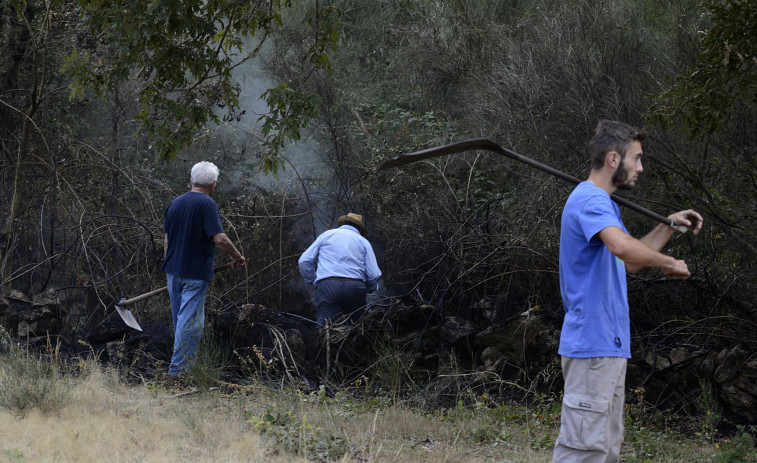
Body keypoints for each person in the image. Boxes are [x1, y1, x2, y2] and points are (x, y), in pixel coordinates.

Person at [553, 120, 703, 462]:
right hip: (592, 348)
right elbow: (624, 248)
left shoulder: (604, 204)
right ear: (612, 160)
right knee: (583, 452)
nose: (640, 167)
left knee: (603, 451)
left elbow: (630, 260)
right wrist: (669, 262)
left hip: (606, 348)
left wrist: (669, 225)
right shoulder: (591, 199)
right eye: (635, 158)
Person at [162, 161, 246, 375]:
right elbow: (220, 239)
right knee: (189, 323)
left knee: (181, 321)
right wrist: (236, 255)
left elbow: (167, 241)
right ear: (213, 185)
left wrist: (170, 267)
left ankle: (181, 368)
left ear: (191, 180)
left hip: (173, 271)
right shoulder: (207, 204)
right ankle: (179, 372)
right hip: (194, 273)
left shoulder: (175, 203)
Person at [298, 213, 382, 326]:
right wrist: (368, 288)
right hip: (354, 287)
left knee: (326, 328)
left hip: (327, 286)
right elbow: (374, 274)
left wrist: (314, 280)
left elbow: (304, 261)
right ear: (360, 229)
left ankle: (326, 342)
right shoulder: (363, 242)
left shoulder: (326, 235)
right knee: (358, 327)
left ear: (342, 223)